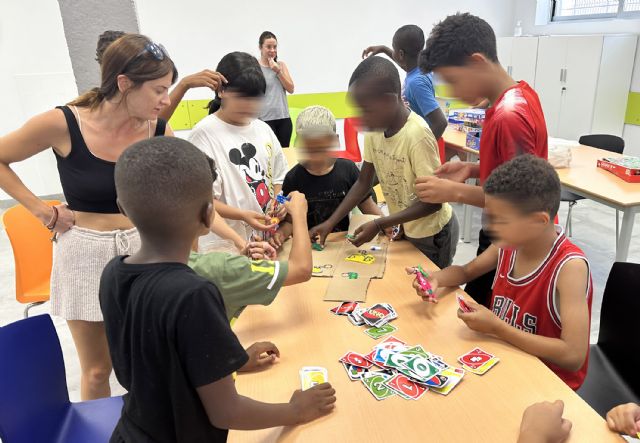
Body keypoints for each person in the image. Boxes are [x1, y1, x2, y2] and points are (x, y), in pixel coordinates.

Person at [100, 136, 335, 442]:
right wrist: (295, 410)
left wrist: (229, 361)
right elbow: (226, 411)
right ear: (209, 215)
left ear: (123, 209)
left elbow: (160, 363)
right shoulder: (194, 293)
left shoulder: (113, 272)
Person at [0, 34, 176, 400]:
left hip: (142, 251)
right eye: (159, 89)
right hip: (83, 253)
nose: (166, 100)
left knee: (154, 357)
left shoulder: (157, 129)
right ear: (125, 84)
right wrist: (40, 210)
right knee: (98, 370)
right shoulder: (64, 123)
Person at [411, 155, 591, 390]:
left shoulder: (569, 267)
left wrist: (498, 328)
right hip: (504, 360)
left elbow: (573, 356)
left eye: (501, 221)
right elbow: (466, 271)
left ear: (538, 222)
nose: (491, 228)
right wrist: (436, 278)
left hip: (548, 384)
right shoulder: (508, 245)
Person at [414, 12, 548, 307]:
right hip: (506, 236)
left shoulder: (509, 116)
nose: (451, 93)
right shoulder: (517, 97)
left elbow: (522, 199)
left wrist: (455, 192)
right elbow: (514, 172)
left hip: (515, 241)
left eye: (452, 81)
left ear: (477, 62)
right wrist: (472, 168)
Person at [309, 56, 458, 269]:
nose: (362, 119)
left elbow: (433, 202)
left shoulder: (417, 136)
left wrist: (380, 222)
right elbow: (363, 183)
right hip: (408, 226)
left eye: (366, 110)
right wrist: (330, 222)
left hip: (433, 234)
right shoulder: (375, 129)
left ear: (389, 100)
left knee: (431, 288)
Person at [189, 52, 288, 252]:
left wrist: (279, 202)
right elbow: (202, 203)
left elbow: (279, 177)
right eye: (242, 97)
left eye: (256, 98)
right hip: (224, 248)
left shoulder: (263, 129)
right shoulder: (203, 135)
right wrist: (242, 217)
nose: (249, 105)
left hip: (262, 244)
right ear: (221, 90)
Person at [272, 106, 381, 247]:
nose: (314, 158)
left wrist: (386, 224)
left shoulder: (348, 170)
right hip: (308, 248)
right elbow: (289, 221)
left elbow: (369, 208)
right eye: (307, 150)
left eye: (320, 150)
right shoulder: (293, 178)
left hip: (341, 245)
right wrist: (280, 235)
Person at [362, 25, 447, 139]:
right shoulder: (418, 70)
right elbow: (404, 64)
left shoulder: (416, 83)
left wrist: (421, 147)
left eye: (394, 49)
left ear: (401, 54)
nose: (393, 52)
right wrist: (383, 49)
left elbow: (440, 123)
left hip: (421, 145)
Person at [258, 31, 295, 147]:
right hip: (264, 119)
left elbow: (291, 88)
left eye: (275, 47)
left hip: (283, 118)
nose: (272, 50)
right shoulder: (255, 67)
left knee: (284, 154)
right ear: (260, 47)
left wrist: (278, 71)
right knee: (269, 155)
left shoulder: (281, 65)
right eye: (268, 47)